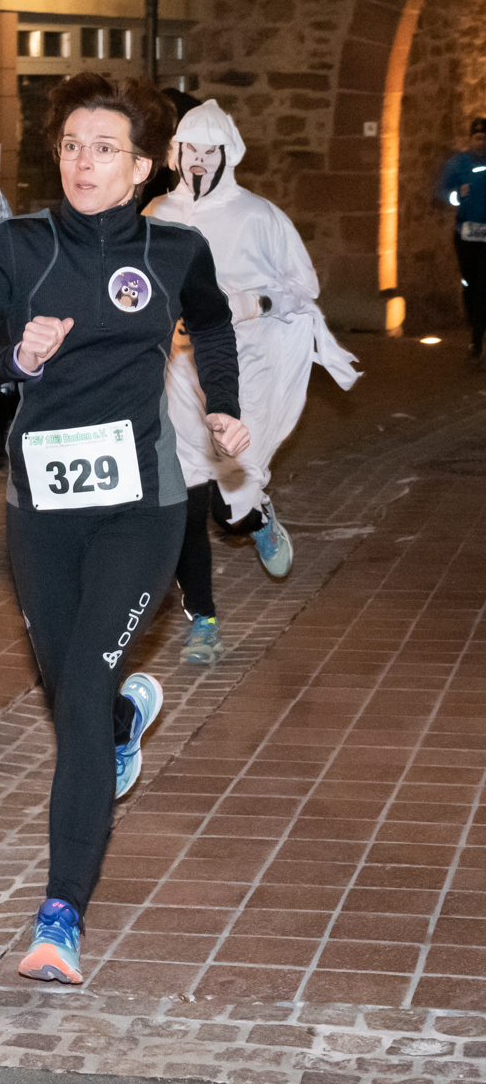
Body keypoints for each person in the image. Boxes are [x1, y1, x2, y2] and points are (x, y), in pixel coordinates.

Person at [0, 74, 249, 984]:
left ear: (142, 167)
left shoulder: (174, 249)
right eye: (72, 145)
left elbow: (214, 324)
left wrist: (222, 405)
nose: (83, 162)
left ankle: (59, 915)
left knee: (75, 689)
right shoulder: (19, 246)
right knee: (67, 679)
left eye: (104, 148)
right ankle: (122, 716)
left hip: (139, 505)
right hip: (42, 504)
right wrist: (16, 358)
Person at [145, 99, 360, 666]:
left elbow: (303, 289)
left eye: (210, 150)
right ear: (176, 153)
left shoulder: (260, 216)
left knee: (229, 511)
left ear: (229, 153)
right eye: (190, 149)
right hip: (183, 371)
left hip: (250, 370)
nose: (199, 160)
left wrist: (253, 302)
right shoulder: (157, 213)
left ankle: (256, 517)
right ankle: (204, 620)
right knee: (186, 500)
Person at [438, 116, 486, 367]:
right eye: (477, 138)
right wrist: (457, 195)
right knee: (470, 283)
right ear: (470, 139)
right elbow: (443, 191)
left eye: (485, 138)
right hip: (465, 233)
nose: (481, 143)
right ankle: (474, 326)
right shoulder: (458, 163)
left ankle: (476, 341)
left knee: (483, 286)